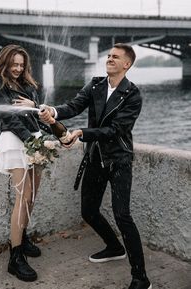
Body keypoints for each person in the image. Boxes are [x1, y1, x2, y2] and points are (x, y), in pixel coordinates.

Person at [39, 43, 152, 289]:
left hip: (119, 160)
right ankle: (114, 246)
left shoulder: (133, 94)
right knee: (88, 211)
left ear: (127, 64)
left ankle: (140, 278)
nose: (110, 58)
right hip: (94, 158)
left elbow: (116, 130)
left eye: (116, 57)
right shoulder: (96, 84)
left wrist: (81, 132)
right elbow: (73, 106)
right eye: (109, 55)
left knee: (123, 216)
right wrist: (53, 112)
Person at [0, 44, 52, 282]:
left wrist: (44, 137)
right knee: (23, 196)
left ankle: (22, 237)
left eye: (21, 65)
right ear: (5, 63)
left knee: (33, 194)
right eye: (13, 64)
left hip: (35, 140)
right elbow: (8, 117)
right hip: (16, 142)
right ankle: (15, 259)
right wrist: (30, 143)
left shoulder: (30, 85)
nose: (17, 68)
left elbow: (38, 112)